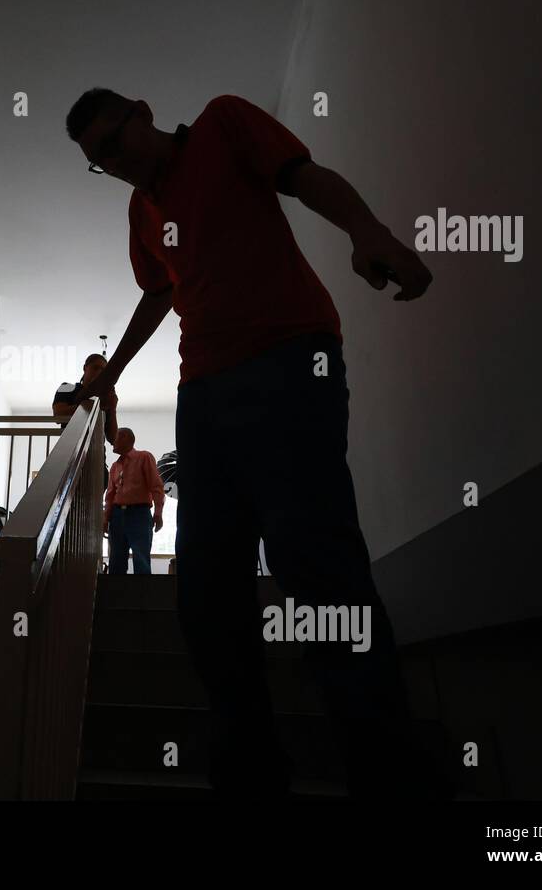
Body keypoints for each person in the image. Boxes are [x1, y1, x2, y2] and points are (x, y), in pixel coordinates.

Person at [65, 88, 447, 800]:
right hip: (204, 393)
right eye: (98, 162)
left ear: (142, 113)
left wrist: (370, 231)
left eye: (114, 145)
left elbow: (304, 177)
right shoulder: (140, 212)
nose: (113, 165)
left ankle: (391, 772)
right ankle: (250, 775)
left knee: (316, 564)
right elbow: (159, 293)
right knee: (207, 593)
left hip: (290, 357)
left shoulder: (223, 125)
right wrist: (108, 375)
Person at [103, 428, 165, 575]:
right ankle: (117, 595)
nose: (113, 442)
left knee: (141, 559)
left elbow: (156, 487)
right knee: (116, 560)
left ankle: (142, 596)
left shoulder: (144, 457)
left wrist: (158, 512)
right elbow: (110, 496)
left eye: (116, 438)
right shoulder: (115, 466)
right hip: (117, 515)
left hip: (140, 513)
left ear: (125, 438)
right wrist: (106, 519)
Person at [52, 352, 117, 490]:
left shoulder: (105, 396)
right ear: (85, 368)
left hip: (97, 463)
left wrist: (113, 408)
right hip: (69, 458)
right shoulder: (67, 386)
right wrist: (91, 405)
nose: (99, 372)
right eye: (95, 367)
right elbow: (58, 414)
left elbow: (113, 438)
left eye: (103, 370)